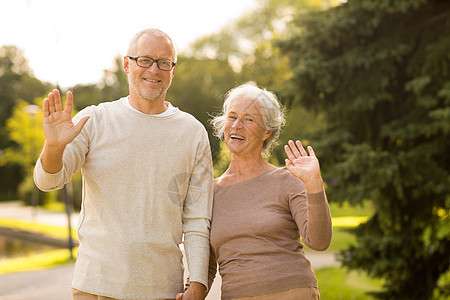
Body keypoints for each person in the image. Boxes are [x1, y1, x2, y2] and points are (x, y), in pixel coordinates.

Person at [33, 28, 213, 300]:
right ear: (127, 64)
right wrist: (54, 146)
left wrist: (198, 284)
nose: (154, 69)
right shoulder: (94, 120)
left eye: (164, 62)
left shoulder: (193, 132)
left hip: (163, 288)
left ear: (172, 70)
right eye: (145, 60)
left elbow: (198, 218)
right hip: (96, 285)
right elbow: (48, 181)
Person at [207, 84, 332, 299]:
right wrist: (193, 290)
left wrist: (314, 185)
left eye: (249, 119)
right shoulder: (210, 192)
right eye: (232, 116)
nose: (237, 125)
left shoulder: (287, 180)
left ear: (267, 132)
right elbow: (206, 263)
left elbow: (319, 241)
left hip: (291, 292)